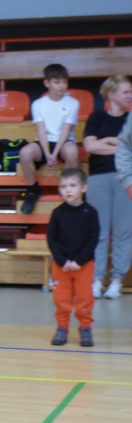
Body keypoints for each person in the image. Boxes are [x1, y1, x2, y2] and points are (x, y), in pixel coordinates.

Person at [83, 75, 132, 300]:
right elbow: (90, 146)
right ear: (111, 95)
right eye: (126, 92)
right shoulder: (96, 117)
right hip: (98, 178)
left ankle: (117, 281)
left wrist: (108, 142)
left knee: (123, 232)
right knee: (99, 232)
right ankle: (96, 279)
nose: (130, 96)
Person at [18, 64, 81, 215]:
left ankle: (66, 188)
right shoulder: (38, 104)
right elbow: (41, 130)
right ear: (47, 83)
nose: (62, 86)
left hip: (64, 141)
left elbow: (66, 130)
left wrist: (55, 153)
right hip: (44, 141)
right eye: (57, 82)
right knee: (25, 153)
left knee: (72, 151)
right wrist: (47, 154)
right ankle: (33, 189)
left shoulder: (73, 103)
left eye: (64, 82)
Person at [46, 168, 99, 348]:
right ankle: (62, 327)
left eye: (73, 185)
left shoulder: (91, 212)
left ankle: (85, 327)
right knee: (61, 299)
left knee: (85, 299)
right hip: (61, 266)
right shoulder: (57, 213)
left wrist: (79, 261)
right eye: (64, 186)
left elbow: (93, 239)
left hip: (84, 265)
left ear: (84, 188)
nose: (68, 190)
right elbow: (52, 239)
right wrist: (62, 261)